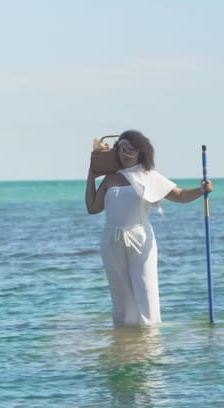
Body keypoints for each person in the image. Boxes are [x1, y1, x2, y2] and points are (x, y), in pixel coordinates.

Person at [85, 130, 212, 326]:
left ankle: (150, 339)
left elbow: (179, 195)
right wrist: (91, 175)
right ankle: (125, 340)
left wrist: (201, 190)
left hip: (140, 238)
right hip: (112, 240)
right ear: (116, 151)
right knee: (120, 293)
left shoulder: (149, 176)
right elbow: (92, 207)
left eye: (131, 148)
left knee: (146, 289)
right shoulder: (110, 180)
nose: (126, 152)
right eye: (122, 148)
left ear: (140, 152)